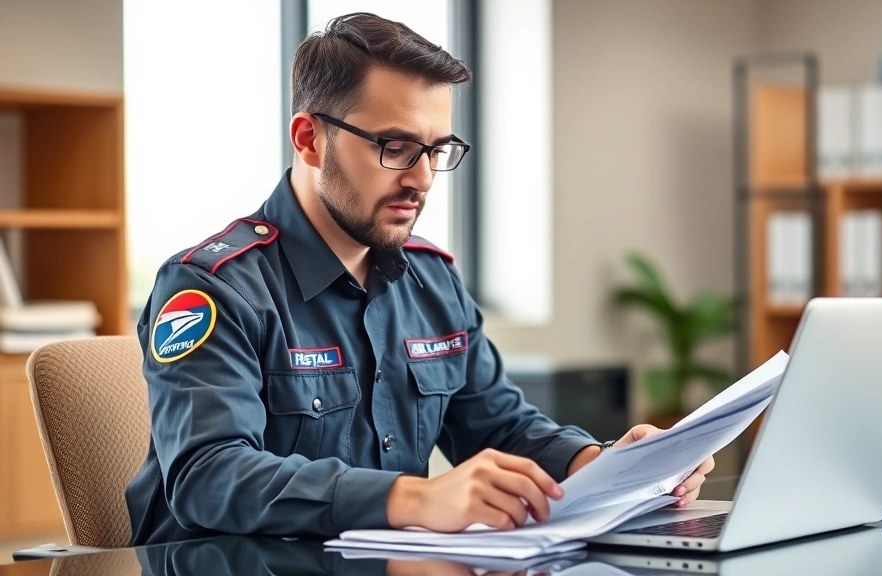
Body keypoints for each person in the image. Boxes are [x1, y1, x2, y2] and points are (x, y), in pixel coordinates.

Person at [126, 12, 714, 545]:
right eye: (396, 148)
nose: (424, 179)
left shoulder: (432, 279)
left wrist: (605, 463)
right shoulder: (212, 288)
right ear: (310, 139)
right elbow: (208, 475)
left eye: (437, 150)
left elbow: (498, 425)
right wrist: (416, 498)